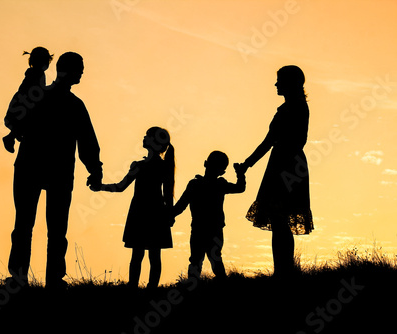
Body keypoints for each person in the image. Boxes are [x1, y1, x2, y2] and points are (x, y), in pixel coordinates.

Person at [7, 52, 103, 289]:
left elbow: (12, 118)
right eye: (79, 67)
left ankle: (23, 279)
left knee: (30, 226)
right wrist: (95, 170)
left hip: (34, 168)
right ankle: (52, 281)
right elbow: (87, 142)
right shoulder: (73, 105)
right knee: (51, 228)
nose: (82, 72)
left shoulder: (49, 97)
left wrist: (95, 168)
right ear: (67, 70)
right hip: (51, 171)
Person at [240, 65, 314, 278]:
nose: (276, 84)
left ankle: (283, 272)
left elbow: (270, 141)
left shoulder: (294, 107)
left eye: (280, 80)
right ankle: (283, 271)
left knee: (279, 217)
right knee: (279, 218)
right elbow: (272, 141)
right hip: (286, 163)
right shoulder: (295, 106)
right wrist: (249, 163)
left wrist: (248, 163)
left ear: (290, 83)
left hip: (286, 164)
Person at [92, 127, 175, 288]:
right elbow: (167, 196)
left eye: (147, 136)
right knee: (154, 255)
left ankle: (133, 287)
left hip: (139, 213)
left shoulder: (139, 166)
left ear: (154, 142)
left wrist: (100, 187)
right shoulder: (163, 166)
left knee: (137, 254)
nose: (144, 138)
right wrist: (169, 216)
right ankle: (151, 288)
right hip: (156, 213)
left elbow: (120, 187)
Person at [172, 151, 246, 280]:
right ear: (222, 172)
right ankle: (222, 284)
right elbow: (240, 188)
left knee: (196, 260)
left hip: (199, 228)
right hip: (214, 229)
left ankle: (192, 287)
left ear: (205, 163)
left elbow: (180, 206)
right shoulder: (219, 184)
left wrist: (169, 216)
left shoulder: (195, 185)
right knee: (215, 258)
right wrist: (240, 174)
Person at [3, 46, 54, 153]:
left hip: (24, 100)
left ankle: (14, 135)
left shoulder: (33, 72)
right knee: (24, 119)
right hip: (27, 102)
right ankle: (11, 137)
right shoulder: (38, 73)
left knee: (21, 121)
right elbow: (37, 89)